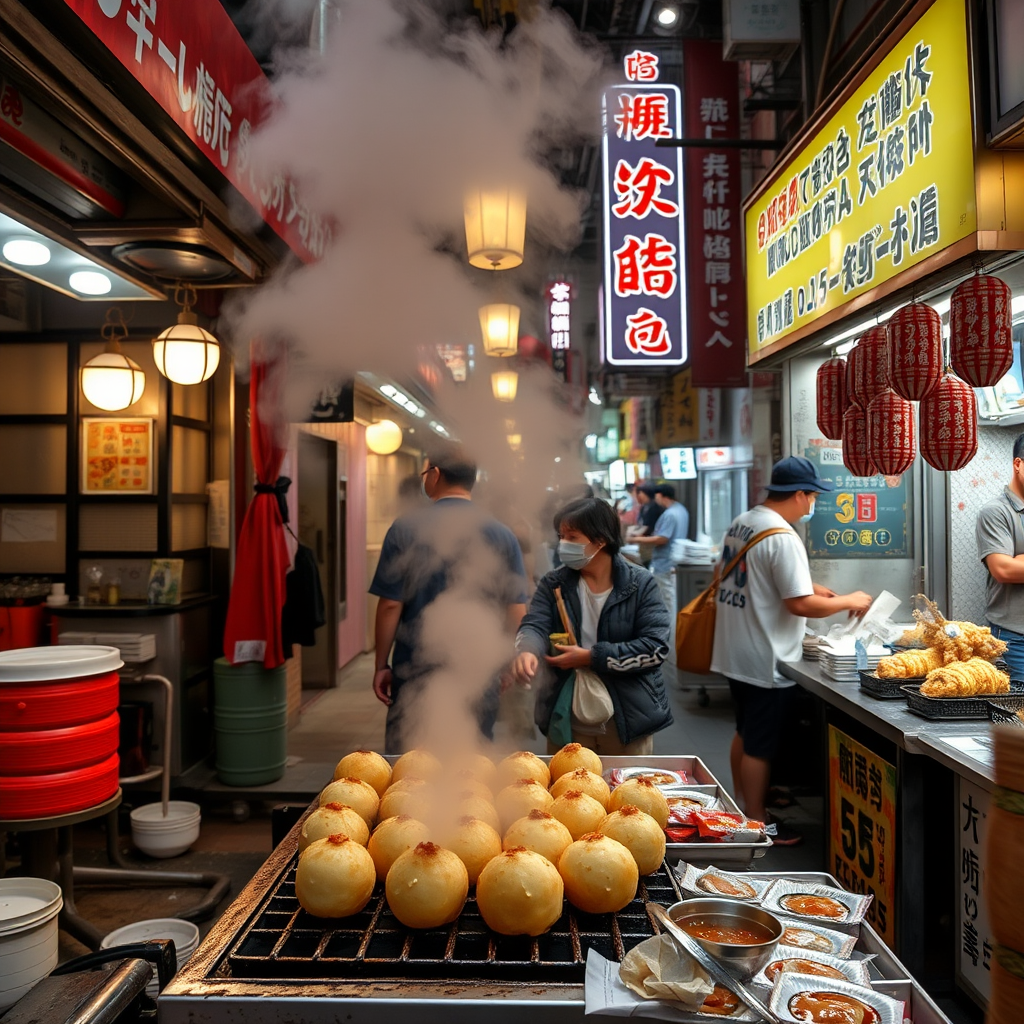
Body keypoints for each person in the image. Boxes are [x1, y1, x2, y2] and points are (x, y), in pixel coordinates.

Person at [710, 456, 873, 844]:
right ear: (800, 495)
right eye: (813, 497)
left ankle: (743, 802)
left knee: (745, 732)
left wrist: (812, 587)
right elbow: (798, 605)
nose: (813, 504)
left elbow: (752, 576)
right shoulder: (783, 537)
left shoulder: (746, 521)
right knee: (760, 746)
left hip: (736, 649)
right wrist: (849, 598)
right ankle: (756, 821)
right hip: (765, 655)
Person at [370, 444, 528, 753]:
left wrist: (380, 664)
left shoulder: (405, 528)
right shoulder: (501, 533)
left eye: (425, 471)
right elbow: (516, 609)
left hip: (416, 669)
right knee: (472, 766)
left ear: (436, 474)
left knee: (411, 765)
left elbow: (390, 604)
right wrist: (506, 660)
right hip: (478, 670)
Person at [512, 497, 672, 755]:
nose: (563, 544)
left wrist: (591, 657)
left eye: (572, 537)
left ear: (600, 540)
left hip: (626, 718)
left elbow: (655, 648)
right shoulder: (554, 583)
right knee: (569, 789)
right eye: (561, 536)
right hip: (567, 714)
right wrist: (527, 650)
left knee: (625, 790)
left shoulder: (640, 584)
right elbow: (535, 624)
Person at [976, 432, 1024, 679]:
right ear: (1018, 464)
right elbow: (1004, 570)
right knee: (1016, 716)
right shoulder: (996, 512)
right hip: (1015, 639)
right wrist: (1014, 563)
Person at [635, 483, 689, 622]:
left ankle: (669, 636)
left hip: (664, 562)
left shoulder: (670, 514)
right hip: (673, 561)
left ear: (660, 495)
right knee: (671, 598)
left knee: (667, 601)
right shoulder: (681, 510)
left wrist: (637, 539)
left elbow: (662, 539)